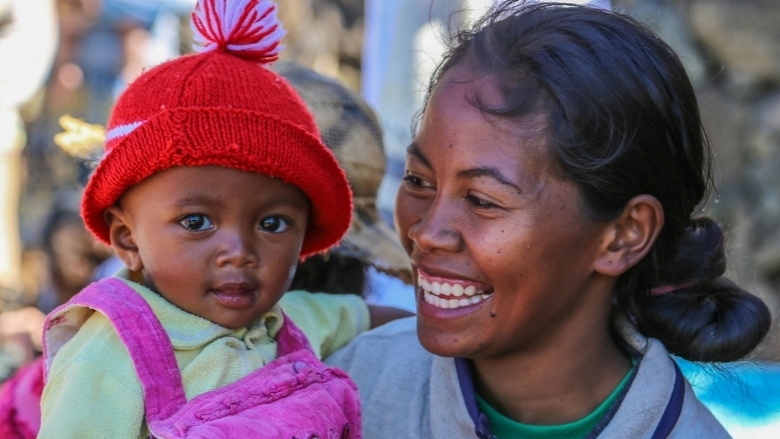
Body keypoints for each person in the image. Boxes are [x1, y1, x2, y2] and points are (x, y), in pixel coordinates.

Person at [326, 2, 772, 438]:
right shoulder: (338, 396)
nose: (426, 232)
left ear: (623, 235)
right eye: (418, 181)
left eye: (482, 200)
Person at [35, 0, 374, 437]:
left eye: (272, 224)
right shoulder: (109, 357)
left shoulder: (285, 323)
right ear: (127, 239)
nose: (240, 252)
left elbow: (363, 315)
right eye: (197, 222)